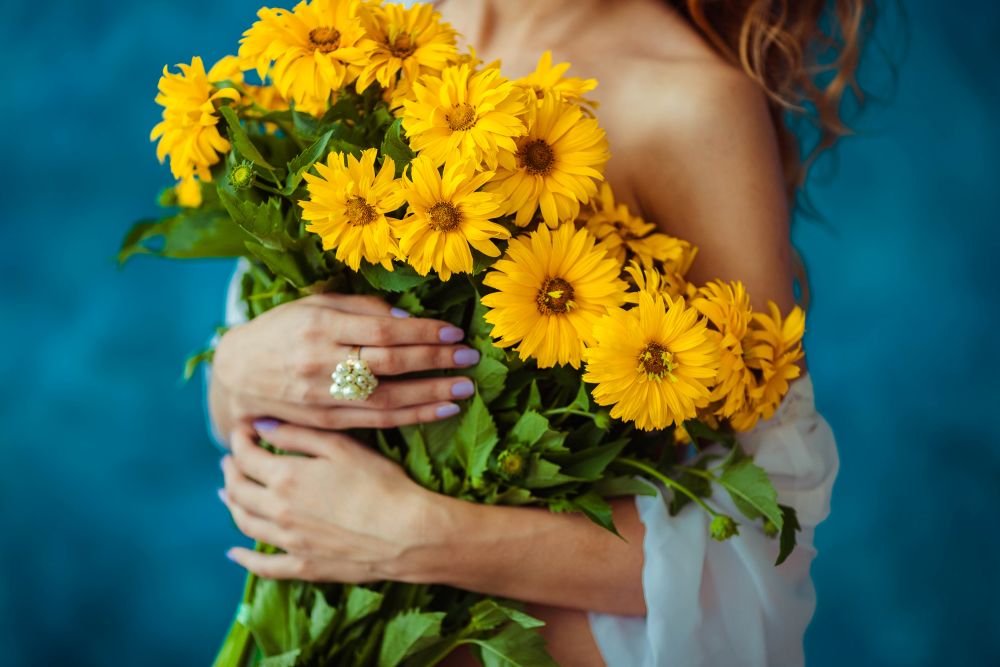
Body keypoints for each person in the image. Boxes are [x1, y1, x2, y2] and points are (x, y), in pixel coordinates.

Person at [210, 0, 867, 664]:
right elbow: (245, 424)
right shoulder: (370, 28)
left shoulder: (690, 99)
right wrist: (236, 370)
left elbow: (757, 538)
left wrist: (419, 534)